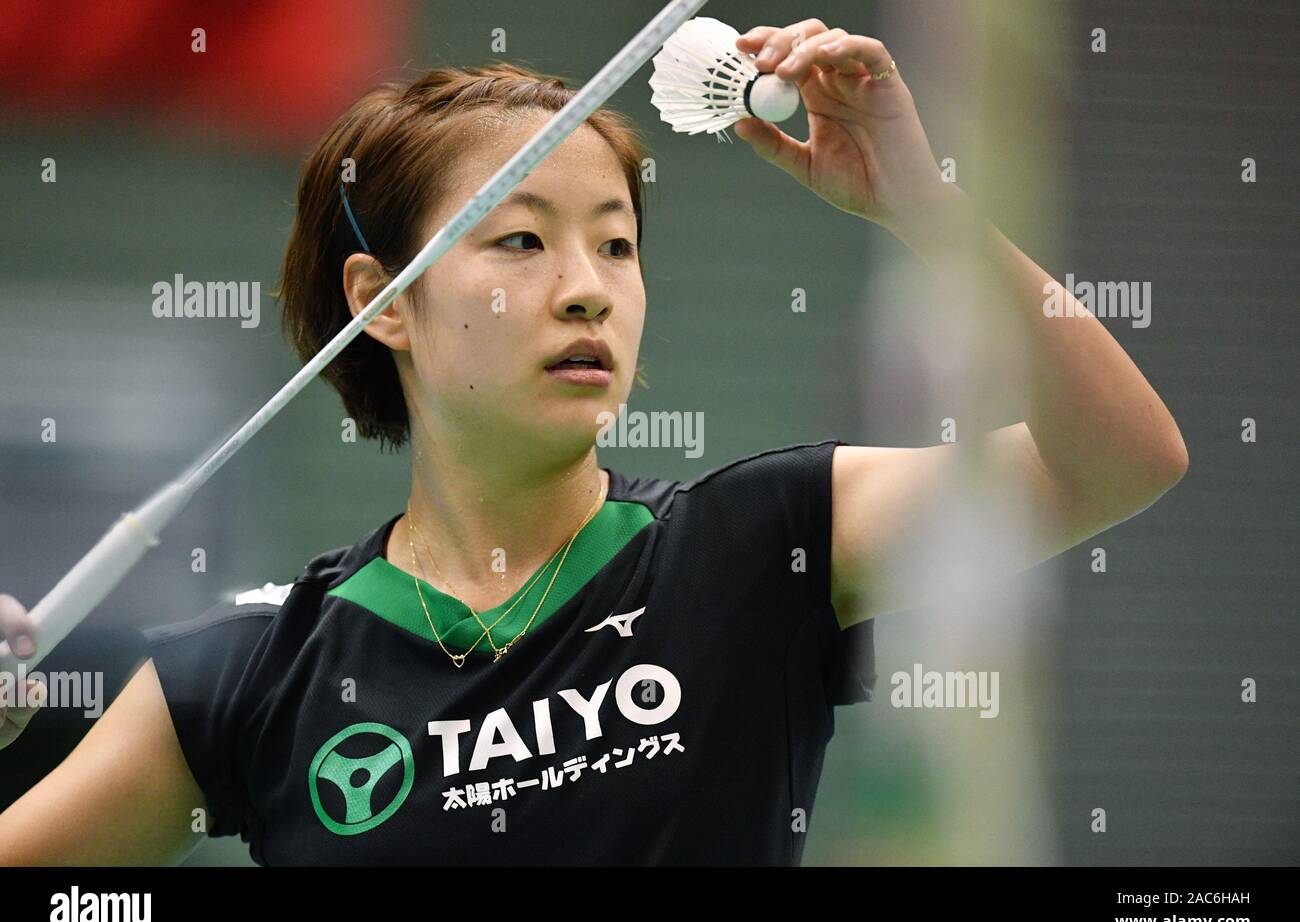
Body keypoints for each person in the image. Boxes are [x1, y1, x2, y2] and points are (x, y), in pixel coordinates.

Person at [0, 20, 1187, 865]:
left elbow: (1118, 460)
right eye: (521, 241)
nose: (588, 291)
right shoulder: (246, 673)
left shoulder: (757, 542)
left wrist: (921, 202)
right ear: (386, 299)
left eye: (615, 245)